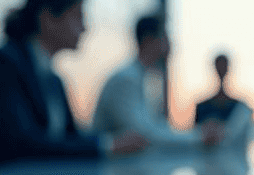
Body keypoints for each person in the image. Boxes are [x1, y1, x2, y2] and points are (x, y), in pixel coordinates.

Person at [0, 0, 147, 172]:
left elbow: (70, 139)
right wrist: (108, 145)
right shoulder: (0, 64)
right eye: (78, 17)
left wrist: (111, 143)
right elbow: (22, 144)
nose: (85, 28)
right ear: (48, 19)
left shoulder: (54, 80)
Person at [93, 12, 224, 148]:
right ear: (149, 40)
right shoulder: (126, 80)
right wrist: (199, 136)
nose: (170, 45)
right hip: (96, 168)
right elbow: (146, 135)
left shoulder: (145, 80)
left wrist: (197, 134)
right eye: (165, 37)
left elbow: (155, 128)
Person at [194, 54, 253, 144]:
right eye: (219, 66)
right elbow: (195, 134)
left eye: (223, 66)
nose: (221, 69)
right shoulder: (201, 106)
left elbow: (242, 137)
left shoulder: (240, 108)